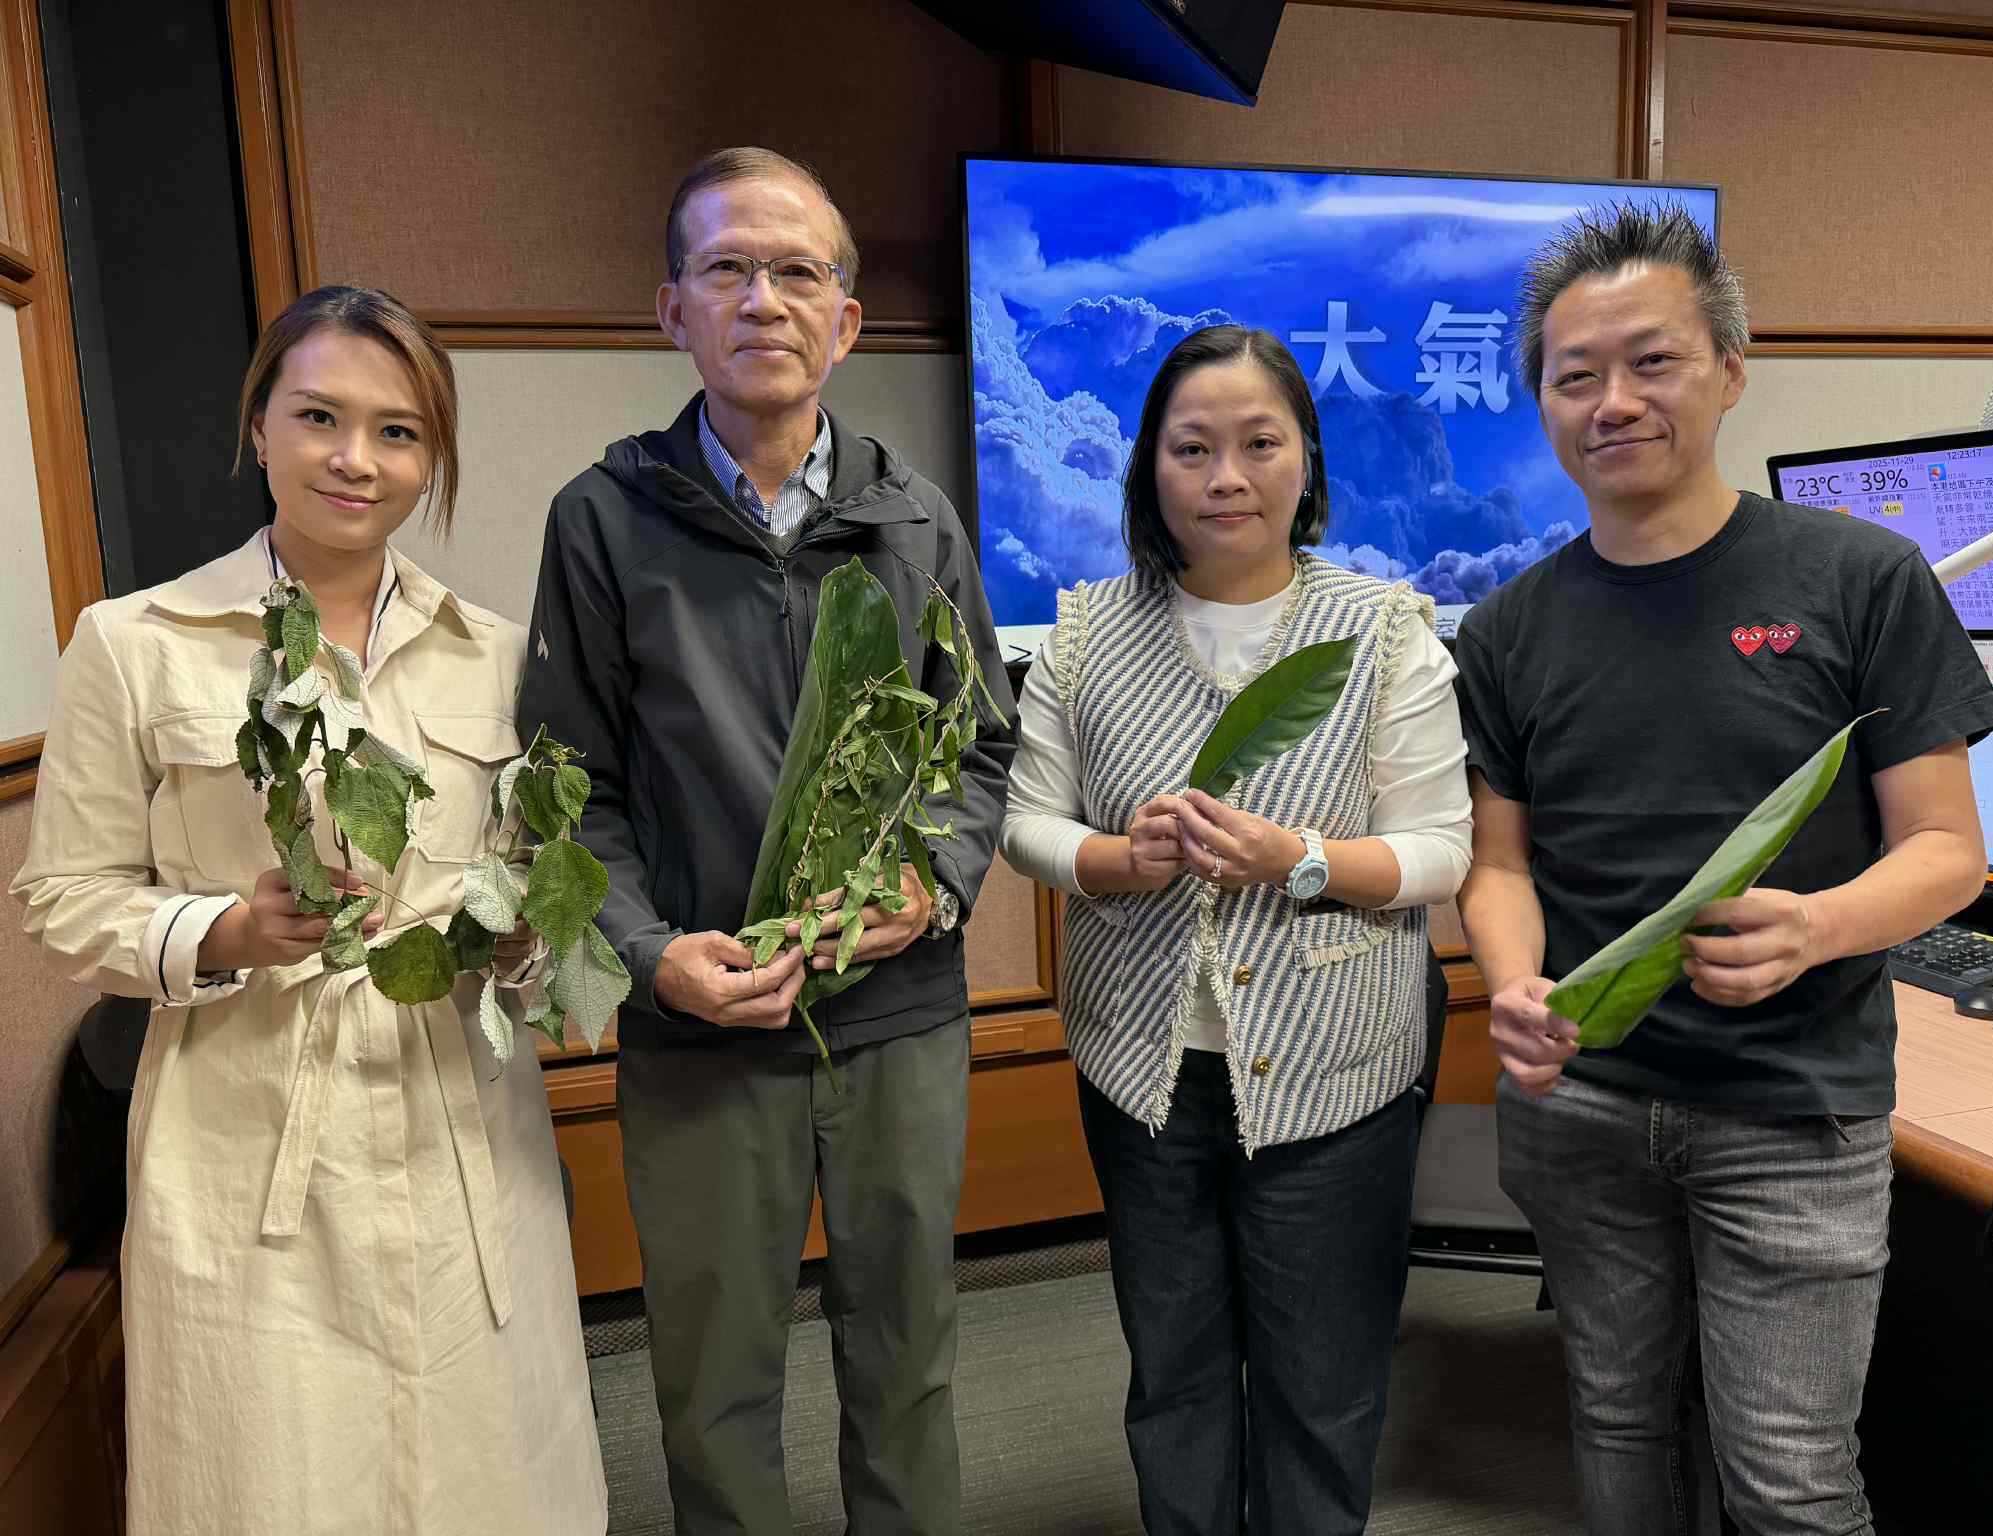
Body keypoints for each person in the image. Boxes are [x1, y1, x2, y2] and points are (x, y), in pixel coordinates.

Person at [12, 285, 606, 1534]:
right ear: (260, 427)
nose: (356, 459)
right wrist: (224, 932)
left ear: (432, 456)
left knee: (486, 1458)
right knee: (272, 1472)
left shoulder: (494, 653)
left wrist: (519, 944)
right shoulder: (138, 643)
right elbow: (64, 900)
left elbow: (534, 903)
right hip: (245, 1121)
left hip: (457, 1125)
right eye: (320, 417)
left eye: (399, 432)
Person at [1453, 204, 1993, 1534]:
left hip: (1792, 1110)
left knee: (1788, 1481)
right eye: (1574, 375)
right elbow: (1498, 865)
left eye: (1653, 361)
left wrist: (1815, 927)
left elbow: (1948, 855)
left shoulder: (1862, 578)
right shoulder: (1510, 626)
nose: (1613, 401)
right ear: (1541, 400)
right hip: (1582, 1111)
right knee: (1618, 1421)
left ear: (1730, 370)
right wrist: (1517, 985)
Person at [516, 147, 1014, 1536]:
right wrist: (649, 954)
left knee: (906, 1359)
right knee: (713, 1377)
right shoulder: (603, 521)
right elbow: (567, 785)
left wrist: (936, 879)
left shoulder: (914, 518)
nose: (765, 299)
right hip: (701, 1021)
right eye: (727, 268)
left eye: (800, 271)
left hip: (899, 1012)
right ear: (672, 308)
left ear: (846, 319)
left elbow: (976, 743)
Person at [998, 324, 1473, 1534]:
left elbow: (1439, 850)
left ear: (1304, 461)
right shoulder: (1084, 631)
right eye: (1191, 448)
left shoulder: (1383, 631)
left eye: (1259, 444)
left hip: (1336, 1069)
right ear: (1147, 470)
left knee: (1321, 1385)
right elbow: (1025, 824)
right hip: (1141, 1068)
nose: (1226, 477)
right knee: (1175, 1371)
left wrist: (1298, 858)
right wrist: (1115, 857)